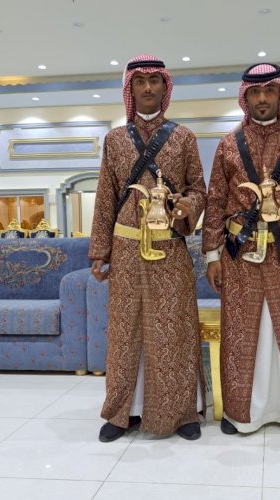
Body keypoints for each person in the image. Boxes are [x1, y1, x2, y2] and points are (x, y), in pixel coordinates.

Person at [202, 63, 280, 438]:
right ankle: (242, 413)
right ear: (245, 97)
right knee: (243, 332)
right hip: (240, 254)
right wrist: (212, 256)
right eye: (255, 92)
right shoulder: (228, 145)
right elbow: (215, 201)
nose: (262, 98)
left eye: (269, 91)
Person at [89, 54, 207, 442]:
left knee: (174, 330)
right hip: (125, 250)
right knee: (126, 332)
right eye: (140, 81)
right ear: (130, 89)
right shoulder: (114, 140)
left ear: (165, 87)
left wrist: (188, 205)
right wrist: (99, 251)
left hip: (170, 248)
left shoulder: (184, 137)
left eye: (155, 80)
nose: (147, 88)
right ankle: (122, 413)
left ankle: (182, 412)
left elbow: (199, 190)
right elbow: (105, 198)